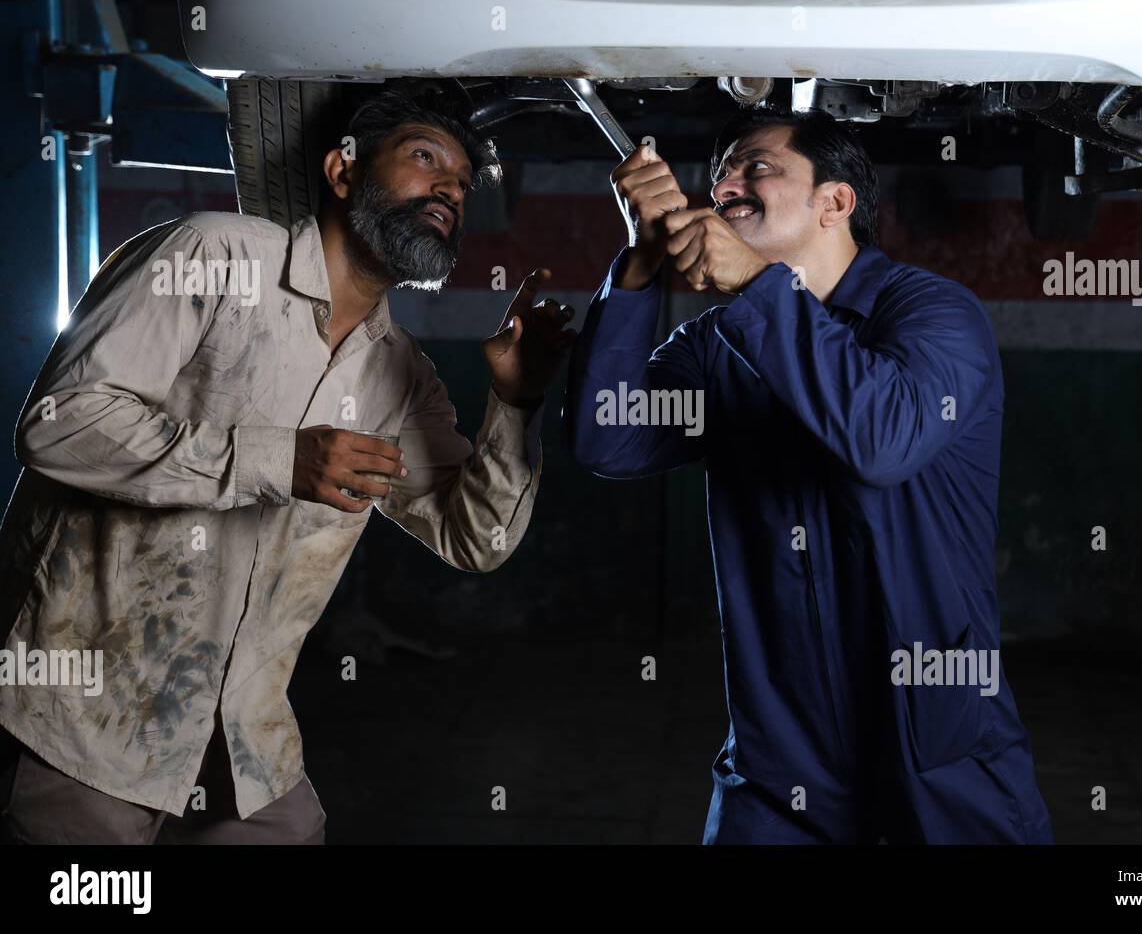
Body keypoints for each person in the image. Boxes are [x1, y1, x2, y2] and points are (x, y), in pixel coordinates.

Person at [0, 80, 576, 843]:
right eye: (425, 158)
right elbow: (58, 426)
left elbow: (477, 540)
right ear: (342, 172)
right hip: (79, 715)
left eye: (463, 185)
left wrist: (516, 402)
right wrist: (278, 460)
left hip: (240, 742)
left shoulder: (399, 375)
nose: (449, 188)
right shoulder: (212, 256)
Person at [566, 106, 1053, 844]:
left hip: (936, 734)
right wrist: (637, 266)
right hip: (779, 751)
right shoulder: (717, 346)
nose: (726, 184)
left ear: (836, 201)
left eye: (756, 166)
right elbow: (609, 435)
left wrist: (761, 291)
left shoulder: (933, 316)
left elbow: (882, 439)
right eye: (721, 171)